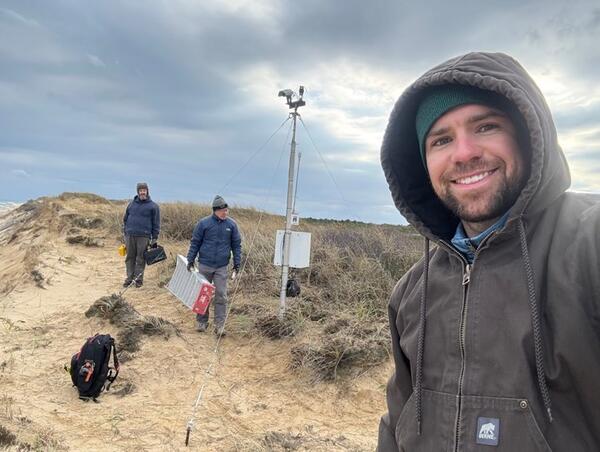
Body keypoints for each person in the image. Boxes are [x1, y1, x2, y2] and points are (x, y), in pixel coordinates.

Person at [377, 52, 600, 451]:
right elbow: (397, 423)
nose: (463, 153)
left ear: (528, 136)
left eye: (486, 126)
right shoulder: (411, 292)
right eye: (441, 139)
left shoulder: (590, 244)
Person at [186, 195, 242, 335]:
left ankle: (219, 325)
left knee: (221, 295)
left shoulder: (231, 225)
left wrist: (237, 264)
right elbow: (195, 242)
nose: (225, 212)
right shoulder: (203, 224)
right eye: (223, 210)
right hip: (204, 264)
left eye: (227, 210)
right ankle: (201, 321)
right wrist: (190, 259)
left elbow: (236, 246)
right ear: (215, 210)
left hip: (221, 267)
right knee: (204, 294)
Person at [122, 182, 160, 288]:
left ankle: (138, 280)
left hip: (144, 236)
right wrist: (125, 232)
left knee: (140, 259)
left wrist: (154, 238)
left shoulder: (153, 206)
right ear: (138, 192)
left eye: (144, 190)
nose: (142, 192)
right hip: (130, 235)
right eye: (140, 190)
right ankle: (129, 279)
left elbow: (156, 223)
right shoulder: (131, 204)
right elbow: (125, 219)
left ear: (147, 191)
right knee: (130, 258)